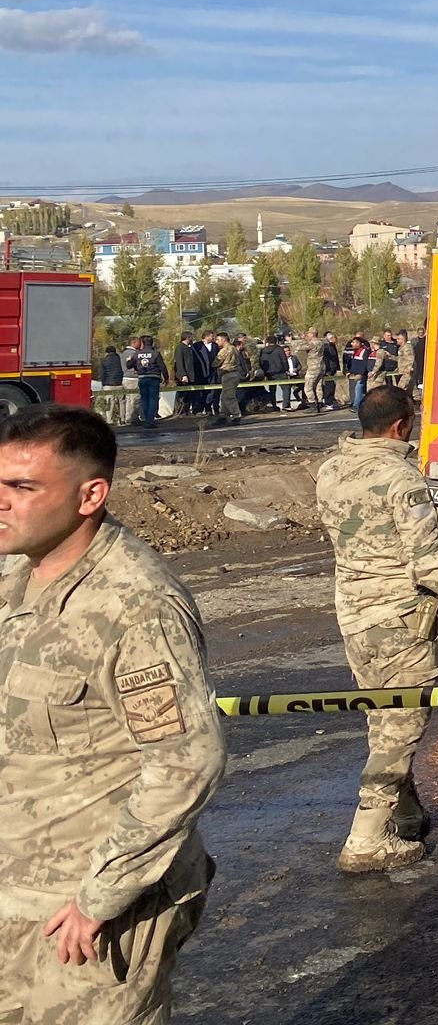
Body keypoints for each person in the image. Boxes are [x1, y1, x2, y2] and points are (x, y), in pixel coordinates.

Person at [0, 406, 226, 1021]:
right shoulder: (17, 579)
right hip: (14, 886)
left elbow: (186, 764)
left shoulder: (136, 607)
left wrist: (101, 896)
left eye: (22, 488)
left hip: (83, 909)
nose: (2, 502)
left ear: (89, 495)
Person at [316, 384, 438, 872]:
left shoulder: (330, 469)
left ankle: (406, 814)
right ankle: (365, 839)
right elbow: (426, 558)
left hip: (354, 617)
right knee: (401, 726)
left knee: (382, 719)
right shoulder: (401, 479)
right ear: (402, 425)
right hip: (399, 619)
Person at [129, 336, 167, 427]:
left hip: (142, 378)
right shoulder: (155, 353)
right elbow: (162, 367)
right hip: (154, 378)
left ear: (142, 343)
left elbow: (129, 365)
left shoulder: (137, 354)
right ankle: (150, 420)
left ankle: (146, 419)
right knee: (153, 399)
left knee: (144, 399)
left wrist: (130, 361)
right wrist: (166, 378)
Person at [93, 344, 124, 421]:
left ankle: (109, 420)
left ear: (107, 352)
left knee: (110, 403)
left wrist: (103, 384)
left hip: (108, 384)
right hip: (119, 383)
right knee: (122, 403)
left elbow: (102, 373)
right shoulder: (119, 359)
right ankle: (123, 419)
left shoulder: (104, 361)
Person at [299, 330, 328, 413]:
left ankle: (312, 404)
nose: (307, 335)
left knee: (308, 386)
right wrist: (306, 339)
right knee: (318, 386)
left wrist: (301, 339)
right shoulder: (321, 342)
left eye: (308, 334)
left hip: (313, 367)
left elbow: (301, 347)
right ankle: (320, 404)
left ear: (312, 334)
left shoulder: (312, 344)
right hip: (321, 366)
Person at [394, 328, 419, 397]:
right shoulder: (401, 348)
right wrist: (389, 356)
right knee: (413, 391)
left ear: (403, 339)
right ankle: (417, 404)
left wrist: (409, 368)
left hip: (407, 373)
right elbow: (400, 359)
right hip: (402, 371)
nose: (397, 340)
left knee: (400, 390)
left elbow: (411, 358)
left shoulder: (407, 347)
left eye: (398, 338)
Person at [320, 333, 342, 408]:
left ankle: (330, 400)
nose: (335, 339)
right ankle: (328, 403)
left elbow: (335, 358)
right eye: (333, 337)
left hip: (333, 369)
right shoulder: (326, 347)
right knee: (329, 385)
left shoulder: (332, 346)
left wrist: (336, 367)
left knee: (332, 385)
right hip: (328, 369)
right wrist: (328, 369)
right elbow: (327, 359)